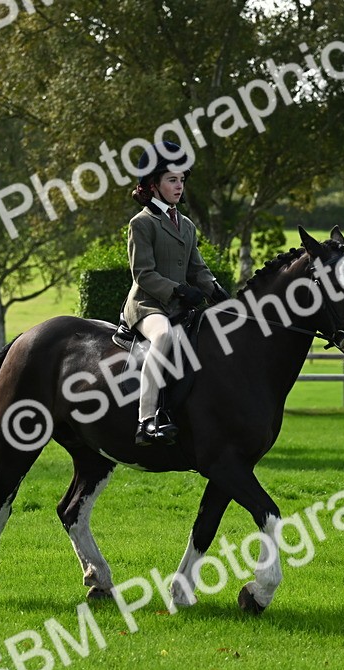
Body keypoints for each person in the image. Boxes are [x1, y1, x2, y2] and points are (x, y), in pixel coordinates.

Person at [122, 141, 228, 445]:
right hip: (148, 305)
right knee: (164, 336)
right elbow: (143, 274)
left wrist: (215, 290)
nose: (179, 186)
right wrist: (179, 290)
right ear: (153, 185)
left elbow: (197, 268)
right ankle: (146, 420)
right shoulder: (142, 223)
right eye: (172, 180)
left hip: (178, 307)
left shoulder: (187, 225)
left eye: (181, 180)